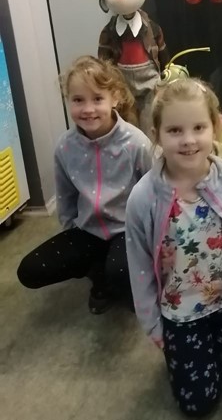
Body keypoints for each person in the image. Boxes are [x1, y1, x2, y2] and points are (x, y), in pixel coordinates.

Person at [125, 78, 222, 418]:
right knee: (198, 405)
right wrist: (154, 327)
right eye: (175, 130)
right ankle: (195, 357)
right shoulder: (143, 198)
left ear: (214, 128)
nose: (189, 140)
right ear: (156, 134)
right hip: (180, 315)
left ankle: (219, 351)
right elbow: (139, 269)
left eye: (198, 127)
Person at [17, 55, 152, 313]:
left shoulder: (136, 143)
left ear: (115, 98)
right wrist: (73, 234)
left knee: (121, 271)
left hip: (128, 230)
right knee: (30, 271)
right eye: (78, 100)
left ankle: (120, 277)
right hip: (87, 230)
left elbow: (154, 192)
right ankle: (99, 272)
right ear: (68, 100)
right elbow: (65, 196)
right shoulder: (65, 147)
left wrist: (149, 236)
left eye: (97, 99)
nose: (88, 109)